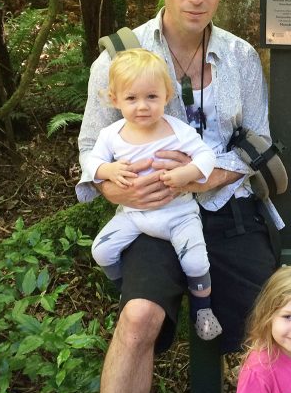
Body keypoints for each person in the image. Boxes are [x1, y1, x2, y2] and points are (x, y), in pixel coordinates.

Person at [76, 0, 282, 393]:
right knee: (138, 317)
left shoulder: (239, 57)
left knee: (274, 323)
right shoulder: (120, 58)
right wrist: (115, 187)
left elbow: (258, 143)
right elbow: (90, 149)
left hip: (227, 207)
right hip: (151, 215)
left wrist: (201, 176)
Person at [87, 48, 221, 341]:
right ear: (115, 99)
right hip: (134, 215)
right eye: (131, 98)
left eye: (151, 96)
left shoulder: (177, 130)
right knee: (101, 251)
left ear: (167, 95)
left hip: (179, 214)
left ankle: (203, 309)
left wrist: (186, 174)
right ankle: (122, 289)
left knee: (196, 262)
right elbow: (91, 162)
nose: (142, 106)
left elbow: (206, 156)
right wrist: (109, 170)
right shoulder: (111, 135)